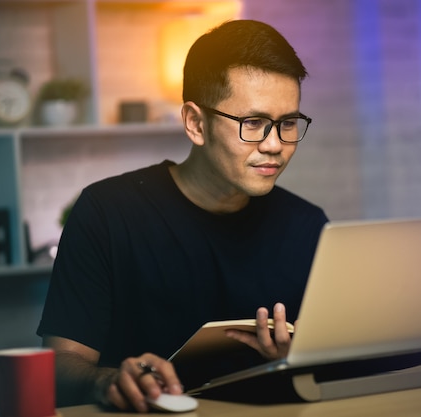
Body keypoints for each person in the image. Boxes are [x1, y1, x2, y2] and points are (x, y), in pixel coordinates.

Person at [37, 19, 328, 413]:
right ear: (195, 123)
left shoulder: (307, 226)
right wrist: (105, 380)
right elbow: (58, 365)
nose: (275, 145)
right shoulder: (107, 213)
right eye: (253, 124)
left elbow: (330, 367)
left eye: (288, 123)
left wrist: (299, 359)